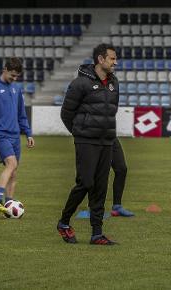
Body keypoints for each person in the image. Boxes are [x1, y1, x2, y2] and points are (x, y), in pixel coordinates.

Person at [57, 43, 119, 245]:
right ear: (101, 60)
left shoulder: (114, 82)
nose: (115, 62)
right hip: (86, 141)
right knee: (86, 183)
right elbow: (66, 113)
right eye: (112, 58)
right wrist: (79, 132)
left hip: (106, 141)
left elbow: (112, 110)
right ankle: (64, 222)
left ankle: (97, 234)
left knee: (100, 187)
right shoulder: (80, 83)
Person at [0, 57, 35, 215]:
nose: (14, 78)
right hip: (0, 134)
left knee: (14, 170)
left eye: (17, 76)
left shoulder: (16, 89)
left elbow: (21, 115)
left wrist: (28, 134)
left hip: (15, 135)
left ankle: (8, 204)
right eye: (12, 75)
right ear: (4, 69)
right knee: (11, 164)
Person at [109, 139, 134, 217]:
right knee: (98, 171)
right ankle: (94, 206)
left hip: (110, 136)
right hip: (92, 138)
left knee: (121, 169)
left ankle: (117, 206)